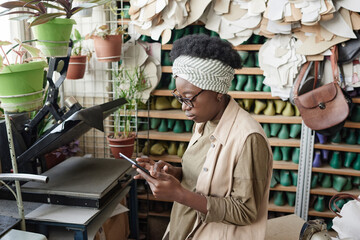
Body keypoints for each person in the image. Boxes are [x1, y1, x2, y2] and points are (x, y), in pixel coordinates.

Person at [134, 34, 273, 240]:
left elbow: (246, 211)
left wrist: (180, 194)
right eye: (179, 97)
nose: (183, 107)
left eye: (189, 99)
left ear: (217, 91)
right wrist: (174, 174)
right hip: (184, 228)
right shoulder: (203, 122)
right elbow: (206, 176)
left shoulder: (249, 139)